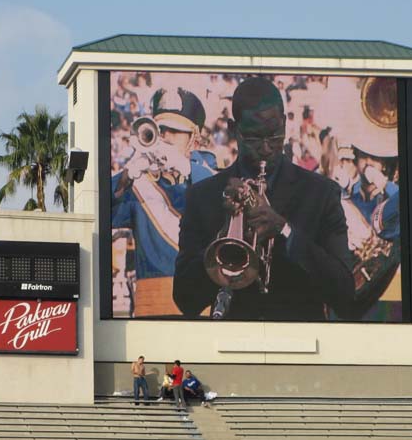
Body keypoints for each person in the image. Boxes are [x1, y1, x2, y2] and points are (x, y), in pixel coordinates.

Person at [173, 77, 355, 320]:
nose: (267, 149)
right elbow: (186, 300)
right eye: (254, 139)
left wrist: (285, 231)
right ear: (233, 128)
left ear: (284, 123)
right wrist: (223, 234)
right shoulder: (202, 196)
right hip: (231, 347)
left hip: (300, 346)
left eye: (275, 136)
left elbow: (344, 293)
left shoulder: (321, 194)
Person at [112, 87, 216, 316]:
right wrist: (125, 177)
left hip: (202, 304)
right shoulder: (139, 183)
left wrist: (188, 169)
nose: (165, 137)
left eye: (175, 131)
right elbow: (102, 213)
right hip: (151, 307)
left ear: (194, 139)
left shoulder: (207, 175)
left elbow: (218, 200)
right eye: (161, 130)